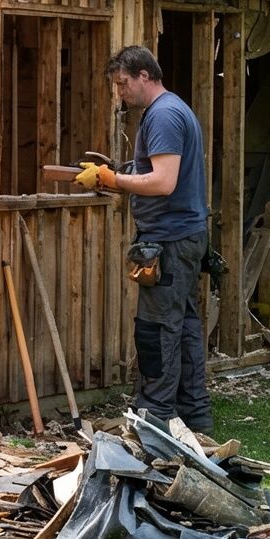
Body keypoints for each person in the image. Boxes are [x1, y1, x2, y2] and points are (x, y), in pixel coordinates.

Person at [74, 45, 213, 433]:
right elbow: (154, 172)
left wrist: (111, 180)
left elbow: (163, 181)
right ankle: (195, 418)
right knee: (183, 327)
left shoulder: (165, 115)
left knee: (156, 331)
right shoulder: (170, 110)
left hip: (169, 241)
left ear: (144, 76)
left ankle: (156, 420)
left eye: (122, 84)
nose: (120, 92)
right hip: (181, 237)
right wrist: (115, 173)